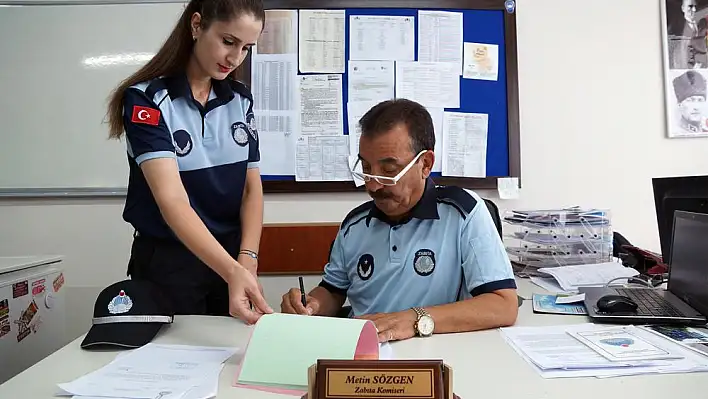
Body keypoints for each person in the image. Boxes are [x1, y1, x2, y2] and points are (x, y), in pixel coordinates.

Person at [280, 99, 518, 342]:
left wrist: (414, 319)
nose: (373, 185)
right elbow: (333, 290)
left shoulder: (464, 213)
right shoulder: (354, 224)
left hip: (436, 358)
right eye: (366, 166)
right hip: (362, 355)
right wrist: (311, 306)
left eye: (389, 170)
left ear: (425, 164)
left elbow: (503, 305)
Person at [105, 0, 273, 324]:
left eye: (246, 48)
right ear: (197, 26)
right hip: (170, 264)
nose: (235, 58)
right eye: (228, 41)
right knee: (172, 366)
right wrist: (233, 270)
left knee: (231, 360)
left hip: (231, 258)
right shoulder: (146, 100)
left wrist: (246, 261)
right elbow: (173, 202)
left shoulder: (240, 98)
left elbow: (252, 189)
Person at [673, 70, 708, 135]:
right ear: (679, 104)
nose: (696, 107)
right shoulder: (675, 131)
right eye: (691, 100)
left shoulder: (705, 131)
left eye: (700, 100)